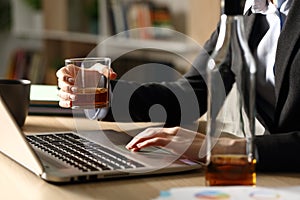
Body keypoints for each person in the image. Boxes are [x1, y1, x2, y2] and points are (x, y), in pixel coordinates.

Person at [56, 0, 300, 171]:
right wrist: (104, 92)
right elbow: (191, 95)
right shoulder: (243, 8)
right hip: (273, 173)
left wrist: (226, 148)